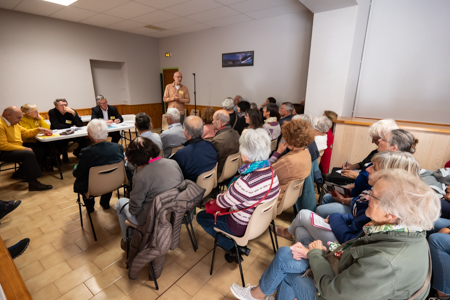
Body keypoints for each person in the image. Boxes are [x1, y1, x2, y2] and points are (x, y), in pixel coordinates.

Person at [230, 169, 440, 300]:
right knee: (288, 255)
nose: (366, 198)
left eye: (372, 195)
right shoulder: (401, 233)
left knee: (286, 269)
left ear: (391, 212)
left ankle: (258, 294)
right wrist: (323, 250)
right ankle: (258, 294)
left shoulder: (388, 261)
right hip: (344, 278)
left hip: (334, 290)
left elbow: (332, 292)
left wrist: (314, 254)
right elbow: (356, 254)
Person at [278, 151, 421, 246]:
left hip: (345, 242)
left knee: (303, 215)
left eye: (374, 168)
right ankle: (306, 257)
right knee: (300, 232)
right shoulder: (382, 200)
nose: (368, 170)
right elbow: (357, 218)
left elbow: (351, 240)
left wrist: (334, 217)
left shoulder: (382, 206)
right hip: (347, 230)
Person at [197, 128, 280, 263]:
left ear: (246, 155)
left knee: (201, 217)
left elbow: (221, 203)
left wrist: (222, 195)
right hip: (261, 222)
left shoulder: (246, 183)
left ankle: (233, 247)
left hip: (239, 225)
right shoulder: (272, 172)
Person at [116, 137, 183, 250]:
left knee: (120, 202)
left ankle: (127, 240)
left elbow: (134, 210)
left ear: (134, 158)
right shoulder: (173, 163)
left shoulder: (140, 178)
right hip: (173, 211)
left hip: (150, 219)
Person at [73, 119, 124, 211]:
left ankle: (90, 207)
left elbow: (78, 173)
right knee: (109, 175)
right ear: (107, 132)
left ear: (89, 135)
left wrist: (75, 168)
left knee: (83, 179)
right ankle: (105, 202)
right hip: (115, 182)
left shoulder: (86, 152)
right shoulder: (118, 147)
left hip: (93, 187)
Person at [0, 106, 53, 191]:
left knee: (39, 151)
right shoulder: (1, 125)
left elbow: (25, 132)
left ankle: (20, 174)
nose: (20, 120)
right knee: (28, 154)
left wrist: (38, 129)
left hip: (13, 149)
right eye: (18, 118)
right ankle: (33, 183)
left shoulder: (13, 123)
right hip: (3, 151)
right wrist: (23, 148)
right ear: (8, 115)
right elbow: (3, 145)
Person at [270, 119, 313, 206]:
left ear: (292, 141)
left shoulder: (289, 161)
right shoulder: (306, 151)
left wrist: (277, 153)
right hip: (289, 196)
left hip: (276, 197)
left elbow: (266, 175)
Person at [172, 116, 217, 182]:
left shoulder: (182, 153)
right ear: (202, 130)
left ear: (185, 132)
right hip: (210, 185)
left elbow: (176, 176)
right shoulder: (210, 145)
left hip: (191, 188)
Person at [18, 103, 52, 171]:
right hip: (28, 141)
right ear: (28, 113)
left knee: (51, 147)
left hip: (38, 140)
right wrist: (38, 130)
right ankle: (35, 168)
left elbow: (47, 129)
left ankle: (44, 164)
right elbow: (27, 133)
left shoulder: (37, 117)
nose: (38, 113)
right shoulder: (22, 119)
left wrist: (40, 119)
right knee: (40, 151)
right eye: (35, 111)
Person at [211, 110, 240, 180]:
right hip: (233, 170)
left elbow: (212, 163)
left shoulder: (217, 141)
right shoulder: (236, 133)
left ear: (218, 121)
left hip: (219, 173)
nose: (212, 122)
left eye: (213, 120)